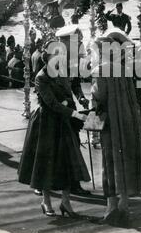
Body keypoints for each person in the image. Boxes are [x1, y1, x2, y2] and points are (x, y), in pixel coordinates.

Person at [18, 42, 90, 217]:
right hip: (46, 123)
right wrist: (74, 113)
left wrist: (77, 99)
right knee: (46, 164)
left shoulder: (64, 70)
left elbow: (71, 88)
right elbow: (51, 104)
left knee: (67, 162)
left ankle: (66, 202)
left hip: (64, 120)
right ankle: (46, 201)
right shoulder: (41, 77)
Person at [90, 31, 141, 227]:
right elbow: (138, 91)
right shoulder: (124, 68)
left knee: (110, 162)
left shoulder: (100, 69)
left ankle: (110, 208)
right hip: (128, 120)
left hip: (111, 123)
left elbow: (99, 96)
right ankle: (124, 205)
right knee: (125, 161)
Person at [55, 24, 91, 196]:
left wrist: (81, 97)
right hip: (56, 112)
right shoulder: (55, 62)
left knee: (74, 144)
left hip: (70, 109)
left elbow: (75, 83)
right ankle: (46, 183)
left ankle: (74, 183)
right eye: (76, 42)